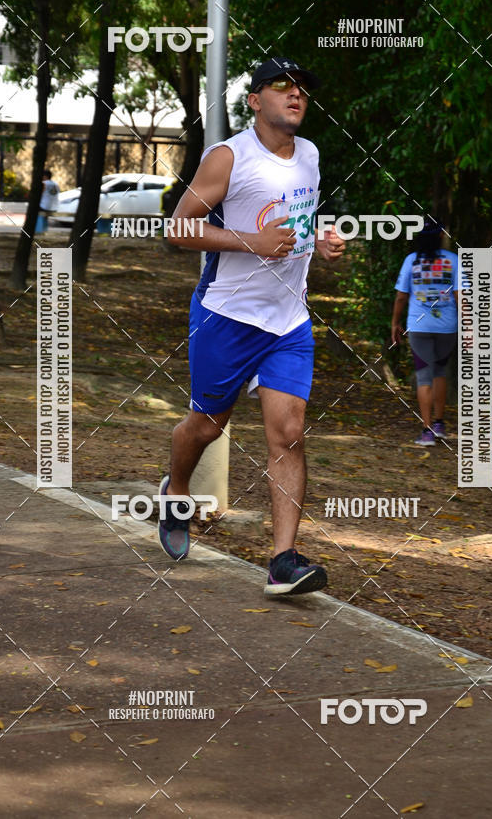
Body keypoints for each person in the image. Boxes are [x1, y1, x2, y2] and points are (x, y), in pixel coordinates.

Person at [158, 56, 345, 595]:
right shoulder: (228, 157)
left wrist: (324, 240)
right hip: (227, 316)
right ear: (254, 100)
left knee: (288, 436)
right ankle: (177, 488)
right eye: (282, 86)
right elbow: (179, 229)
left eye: (303, 87)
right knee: (207, 425)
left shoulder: (309, 155)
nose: (296, 95)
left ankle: (282, 562)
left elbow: (297, 222)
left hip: (288, 319)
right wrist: (252, 243)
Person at [391, 217, 459, 445]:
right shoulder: (453, 261)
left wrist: (395, 323)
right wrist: (468, 326)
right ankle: (439, 424)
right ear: (441, 236)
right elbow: (460, 296)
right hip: (447, 326)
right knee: (440, 372)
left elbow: (401, 296)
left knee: (424, 377)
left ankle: (427, 430)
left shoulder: (411, 261)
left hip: (419, 326)